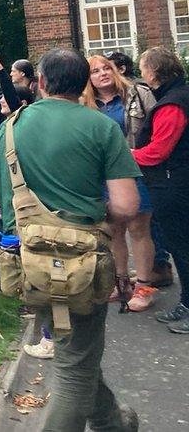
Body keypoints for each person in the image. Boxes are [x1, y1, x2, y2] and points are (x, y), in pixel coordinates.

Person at [0, 48, 141, 431]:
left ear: (40, 83)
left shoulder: (13, 126)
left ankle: (113, 424)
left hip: (28, 264)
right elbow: (126, 205)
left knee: (75, 353)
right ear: (83, 82)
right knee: (74, 366)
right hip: (82, 265)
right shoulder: (100, 126)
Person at [82, 55, 159, 311]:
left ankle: (144, 286)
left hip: (136, 171)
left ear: (115, 70)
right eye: (95, 71)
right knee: (113, 230)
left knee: (139, 228)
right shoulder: (85, 105)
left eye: (107, 68)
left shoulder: (137, 94)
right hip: (103, 175)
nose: (103, 73)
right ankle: (120, 281)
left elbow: (155, 131)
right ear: (88, 78)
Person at [131, 47, 189, 334]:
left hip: (173, 185)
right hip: (176, 182)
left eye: (143, 68)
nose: (142, 73)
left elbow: (158, 151)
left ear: (153, 72)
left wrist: (127, 155)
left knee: (183, 248)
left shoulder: (172, 105)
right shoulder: (179, 96)